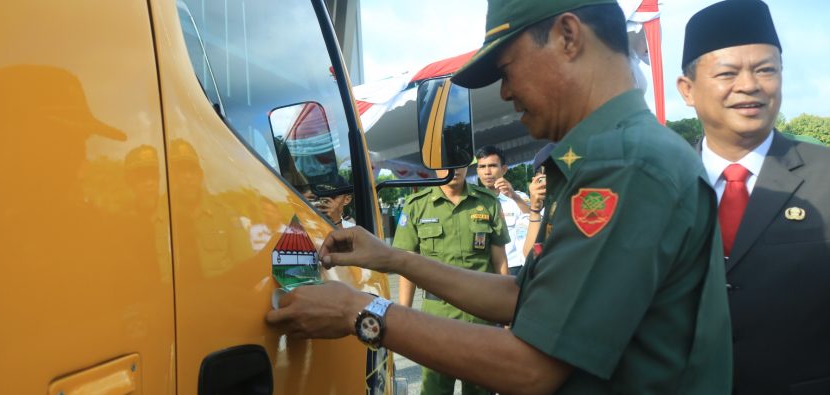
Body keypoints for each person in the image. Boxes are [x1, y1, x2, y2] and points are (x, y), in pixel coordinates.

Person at [267, 1, 732, 393]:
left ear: (568, 36)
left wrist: (360, 312)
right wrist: (394, 259)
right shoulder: (614, 154)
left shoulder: (623, 164)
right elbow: (521, 295)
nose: (506, 92)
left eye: (507, 69)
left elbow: (530, 366)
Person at [676, 1, 830, 393]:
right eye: (727, 73)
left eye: (766, 70)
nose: (750, 85)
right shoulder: (659, 184)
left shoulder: (824, 174)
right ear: (687, 90)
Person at [392, 165, 509, 395]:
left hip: (481, 316)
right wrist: (402, 317)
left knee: (481, 389)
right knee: (435, 388)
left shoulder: (487, 202)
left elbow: (500, 262)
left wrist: (508, 314)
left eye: (458, 163)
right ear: (434, 166)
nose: (453, 169)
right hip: (436, 317)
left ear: (467, 165)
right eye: (445, 163)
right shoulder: (417, 205)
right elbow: (406, 266)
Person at [474, 145, 547, 275]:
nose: (487, 172)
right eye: (482, 167)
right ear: (477, 171)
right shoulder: (472, 203)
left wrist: (514, 197)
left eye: (492, 166)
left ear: (504, 169)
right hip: (487, 269)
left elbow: (534, 219)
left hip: (517, 268)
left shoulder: (519, 198)